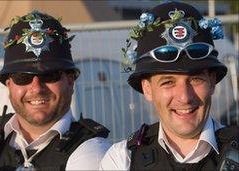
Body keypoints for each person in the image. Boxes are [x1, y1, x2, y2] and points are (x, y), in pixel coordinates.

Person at [0, 10, 111, 170]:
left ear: (70, 81)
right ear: (9, 85)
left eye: (50, 75)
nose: (36, 88)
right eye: (23, 77)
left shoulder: (92, 150)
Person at [100, 1, 239, 170]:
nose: (184, 97)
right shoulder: (123, 160)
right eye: (168, 82)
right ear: (147, 89)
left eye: (196, 79)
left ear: (212, 81)